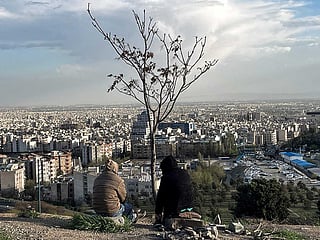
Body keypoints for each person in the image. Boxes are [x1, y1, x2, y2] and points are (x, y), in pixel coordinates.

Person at [155, 155, 193, 224]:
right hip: (188, 208)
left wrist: (158, 213)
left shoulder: (166, 177)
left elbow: (160, 198)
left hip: (174, 212)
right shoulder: (185, 173)